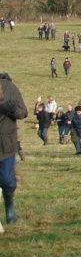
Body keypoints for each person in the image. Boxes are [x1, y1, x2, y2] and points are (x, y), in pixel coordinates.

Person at [0, 73, 27, 224]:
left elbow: (23, 112)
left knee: (7, 181)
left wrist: (11, 109)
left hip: (5, 144)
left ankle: (9, 205)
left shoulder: (10, 88)